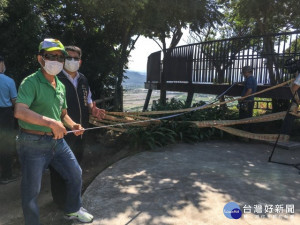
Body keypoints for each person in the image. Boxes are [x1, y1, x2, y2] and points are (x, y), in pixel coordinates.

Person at [14, 38, 94, 225]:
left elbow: (63, 114)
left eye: (60, 57)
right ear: (40, 58)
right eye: (51, 56)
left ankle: (72, 210)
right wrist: (51, 123)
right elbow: (20, 111)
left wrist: (73, 125)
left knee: (75, 173)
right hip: (32, 142)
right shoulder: (30, 82)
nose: (56, 60)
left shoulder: (59, 85)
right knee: (31, 190)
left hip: (57, 141)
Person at [50, 45, 105, 208]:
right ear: (63, 59)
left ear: (80, 62)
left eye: (75, 58)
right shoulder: (55, 78)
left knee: (76, 164)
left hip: (81, 131)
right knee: (59, 167)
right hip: (62, 133)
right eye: (69, 58)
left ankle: (73, 198)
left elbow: (88, 99)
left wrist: (94, 109)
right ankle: (60, 203)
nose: (72, 61)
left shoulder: (83, 79)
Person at [0, 55, 18, 184]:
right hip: (4, 115)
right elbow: (14, 101)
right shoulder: (8, 81)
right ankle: (6, 175)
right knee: (6, 144)